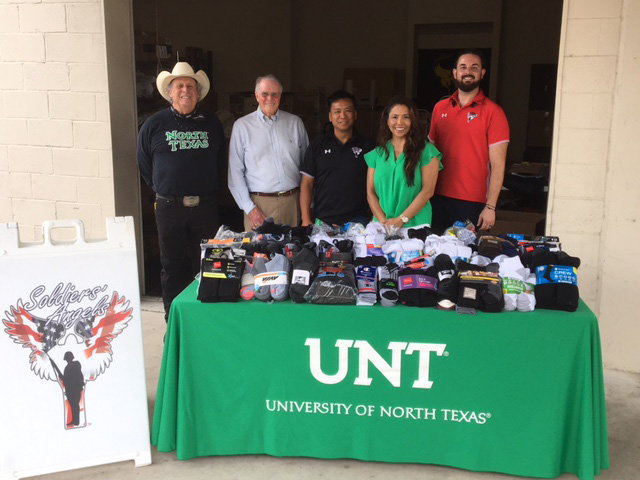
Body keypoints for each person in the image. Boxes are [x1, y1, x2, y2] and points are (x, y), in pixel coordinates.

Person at [137, 62, 225, 319]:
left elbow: (220, 161)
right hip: (169, 208)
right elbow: (144, 164)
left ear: (198, 93)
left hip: (205, 207)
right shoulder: (153, 125)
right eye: (180, 86)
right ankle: (173, 321)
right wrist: (164, 189)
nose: (185, 90)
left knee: (209, 263)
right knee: (172, 266)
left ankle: (204, 318)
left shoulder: (211, 123)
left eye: (190, 86)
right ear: (170, 92)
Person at [428, 49, 510, 232]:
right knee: (433, 256)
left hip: (474, 202)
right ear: (455, 73)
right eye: (463, 67)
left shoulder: (494, 112)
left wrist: (490, 207)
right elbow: (429, 156)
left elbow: (498, 165)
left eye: (474, 67)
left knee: (467, 258)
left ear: (482, 73)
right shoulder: (439, 108)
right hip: (436, 197)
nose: (468, 72)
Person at [228, 74, 309, 230]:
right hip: (259, 206)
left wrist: (308, 205)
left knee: (294, 252)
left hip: (293, 202)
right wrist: (250, 209)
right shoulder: (242, 126)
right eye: (265, 94)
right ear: (257, 96)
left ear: (280, 96)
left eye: (274, 94)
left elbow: (307, 167)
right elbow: (235, 173)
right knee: (260, 254)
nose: (269, 98)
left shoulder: (295, 123)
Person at [365, 97, 442, 230]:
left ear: (413, 121)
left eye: (406, 117)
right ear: (387, 121)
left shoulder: (427, 151)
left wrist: (401, 220)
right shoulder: (377, 154)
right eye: (394, 117)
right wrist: (384, 223)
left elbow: (427, 191)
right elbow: (370, 192)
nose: (399, 122)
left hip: (415, 227)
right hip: (382, 226)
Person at [300, 90, 374, 227]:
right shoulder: (317, 146)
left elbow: (377, 184)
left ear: (355, 114)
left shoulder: (368, 147)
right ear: (330, 116)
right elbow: (307, 184)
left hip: (359, 220)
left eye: (348, 111)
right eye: (337, 111)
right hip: (324, 220)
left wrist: (374, 217)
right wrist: (305, 219)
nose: (342, 116)